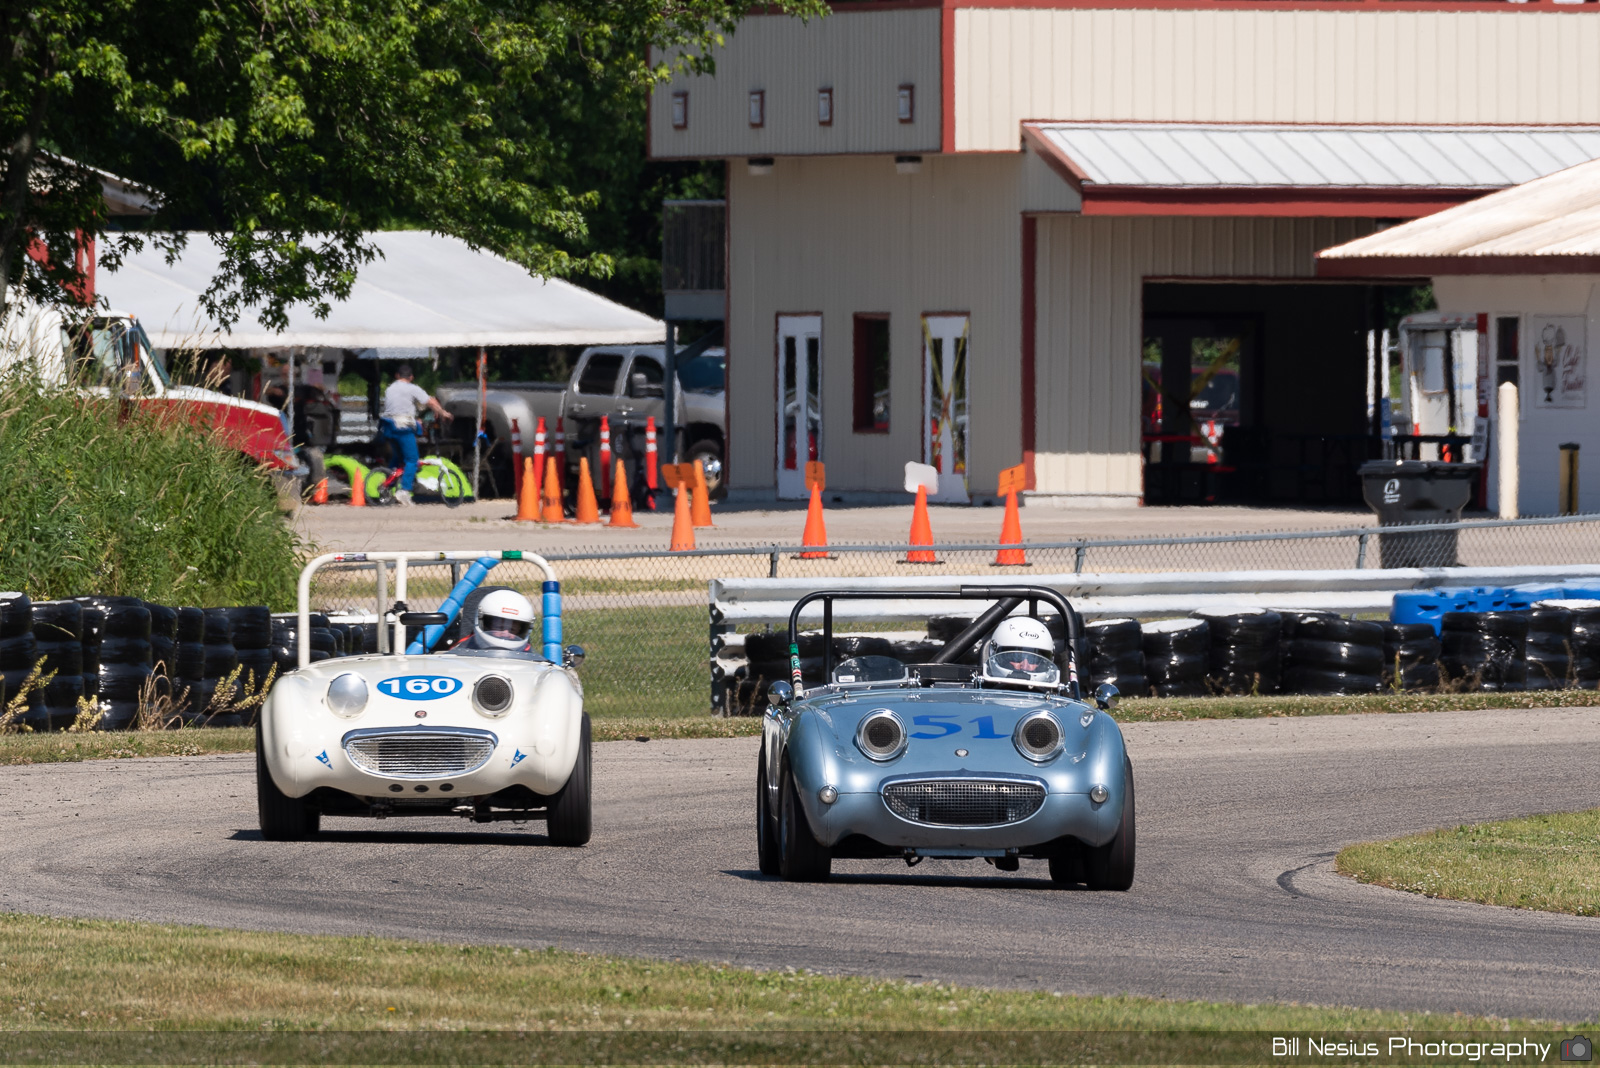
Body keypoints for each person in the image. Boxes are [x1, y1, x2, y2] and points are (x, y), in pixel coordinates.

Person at [379, 364, 452, 504]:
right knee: (412, 459)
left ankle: (386, 486)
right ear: (411, 377)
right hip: (402, 427)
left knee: (398, 458)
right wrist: (444, 413)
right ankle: (404, 491)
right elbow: (430, 401)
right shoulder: (412, 388)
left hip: (388, 426)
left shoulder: (390, 388)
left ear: (397, 376)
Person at [982, 616, 1060, 685]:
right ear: (994, 652)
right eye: (1016, 657)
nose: (1025, 666)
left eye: (1034, 659)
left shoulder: (1058, 700)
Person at [456, 589, 537, 652]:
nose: (505, 633)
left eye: (512, 630)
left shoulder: (528, 654)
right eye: (500, 627)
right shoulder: (464, 649)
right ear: (485, 624)